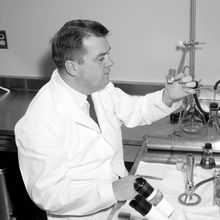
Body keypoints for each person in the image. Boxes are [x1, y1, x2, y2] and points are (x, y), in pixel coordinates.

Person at [14, 19, 196, 220]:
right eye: (101, 58)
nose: (110, 62)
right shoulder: (40, 120)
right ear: (73, 67)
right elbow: (48, 195)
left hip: (120, 205)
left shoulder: (100, 88)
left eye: (108, 53)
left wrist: (168, 96)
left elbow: (136, 110)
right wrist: (112, 191)